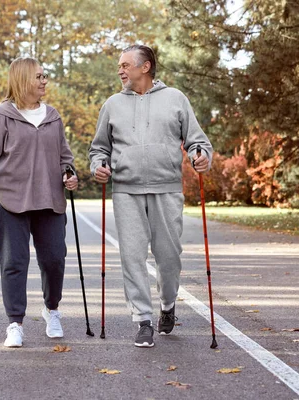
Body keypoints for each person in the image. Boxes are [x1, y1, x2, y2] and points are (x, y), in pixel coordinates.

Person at [89, 44, 213, 348]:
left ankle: (168, 305)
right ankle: (142, 320)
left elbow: (198, 142)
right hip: (127, 191)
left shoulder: (175, 99)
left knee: (169, 257)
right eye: (119, 66)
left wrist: (201, 157)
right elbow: (99, 148)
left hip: (167, 187)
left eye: (125, 65)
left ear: (145, 67)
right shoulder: (112, 105)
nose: (120, 70)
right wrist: (99, 166)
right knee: (131, 256)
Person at [0, 57, 78, 348]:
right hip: (8, 198)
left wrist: (70, 174)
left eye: (45, 76)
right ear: (22, 80)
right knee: (14, 263)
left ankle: (51, 310)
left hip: (49, 199)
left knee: (55, 259)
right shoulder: (2, 116)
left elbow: (64, 157)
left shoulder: (53, 116)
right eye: (39, 77)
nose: (44, 81)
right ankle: (15, 323)